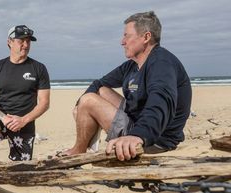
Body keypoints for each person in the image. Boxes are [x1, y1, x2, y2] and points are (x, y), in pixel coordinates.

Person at [64, 11, 192, 161]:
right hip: (139, 124)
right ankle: (87, 141)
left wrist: (138, 135)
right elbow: (99, 83)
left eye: (127, 36)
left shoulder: (161, 63)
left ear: (146, 37)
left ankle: (79, 151)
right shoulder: (132, 66)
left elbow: (161, 101)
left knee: (89, 100)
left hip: (156, 140)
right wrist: (78, 108)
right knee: (99, 91)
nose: (122, 42)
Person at [0, 25, 50, 163]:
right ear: (10, 42)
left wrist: (23, 120)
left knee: (20, 171)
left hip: (24, 123)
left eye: (28, 41)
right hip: (0, 120)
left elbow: (44, 103)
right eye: (21, 41)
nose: (25, 45)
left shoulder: (39, 68)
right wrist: (4, 119)